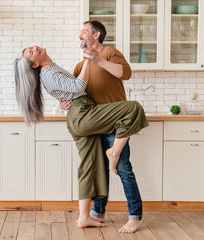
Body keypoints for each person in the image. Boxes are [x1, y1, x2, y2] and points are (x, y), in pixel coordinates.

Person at [14, 45, 148, 228]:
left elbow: (71, 89)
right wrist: (88, 58)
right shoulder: (49, 73)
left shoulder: (51, 70)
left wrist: (63, 99)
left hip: (83, 114)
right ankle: (114, 153)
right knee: (133, 108)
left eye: (30, 48)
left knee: (90, 166)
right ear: (35, 64)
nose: (34, 47)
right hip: (83, 114)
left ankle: (85, 216)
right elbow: (78, 86)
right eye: (31, 52)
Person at [60, 20, 143, 233]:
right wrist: (63, 102)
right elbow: (72, 92)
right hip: (94, 123)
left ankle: (135, 216)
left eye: (84, 31)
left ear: (96, 35)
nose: (80, 35)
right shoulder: (80, 66)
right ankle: (98, 211)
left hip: (117, 124)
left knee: (124, 168)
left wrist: (98, 60)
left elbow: (124, 73)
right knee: (99, 170)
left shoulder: (110, 52)